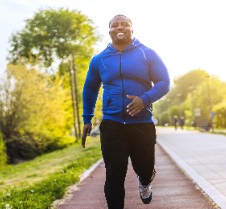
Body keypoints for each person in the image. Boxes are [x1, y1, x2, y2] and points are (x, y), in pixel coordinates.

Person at [81, 14, 170, 209]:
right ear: (110, 30)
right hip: (112, 124)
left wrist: (144, 99)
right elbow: (90, 88)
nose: (119, 28)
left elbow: (164, 83)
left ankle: (145, 182)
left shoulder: (147, 54)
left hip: (142, 123)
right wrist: (87, 118)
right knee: (114, 174)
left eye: (124, 24)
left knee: (144, 168)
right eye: (115, 25)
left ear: (131, 29)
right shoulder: (100, 59)